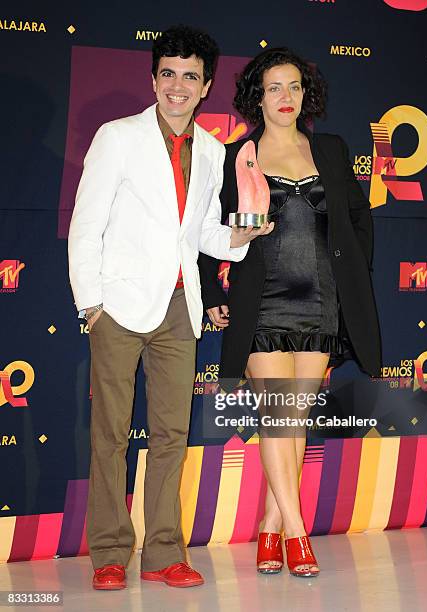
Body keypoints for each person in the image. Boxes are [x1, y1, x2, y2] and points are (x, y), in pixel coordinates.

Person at [68, 25, 271, 591]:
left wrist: (244, 235)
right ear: (153, 78)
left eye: (189, 76)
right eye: (167, 74)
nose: (177, 86)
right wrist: (92, 307)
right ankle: (109, 552)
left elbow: (201, 231)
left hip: (181, 309)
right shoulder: (117, 137)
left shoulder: (210, 149)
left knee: (170, 437)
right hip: (118, 306)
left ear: (205, 86)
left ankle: (163, 553)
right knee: (109, 435)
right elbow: (85, 227)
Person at [198, 47, 381, 578]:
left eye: (295, 86)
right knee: (277, 419)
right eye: (274, 87)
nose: (286, 97)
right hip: (264, 302)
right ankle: (298, 535)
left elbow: (358, 219)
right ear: (257, 95)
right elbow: (211, 234)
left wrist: (352, 279)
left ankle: (271, 525)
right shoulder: (239, 153)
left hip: (321, 303)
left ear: (307, 93)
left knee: (293, 424)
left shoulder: (330, 147)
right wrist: (214, 292)